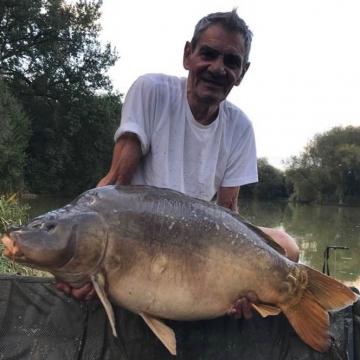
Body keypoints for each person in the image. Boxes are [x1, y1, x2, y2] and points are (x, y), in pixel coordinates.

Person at [57, 9, 299, 319]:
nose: (217, 68)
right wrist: (81, 256)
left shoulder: (241, 126)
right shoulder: (151, 91)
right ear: (188, 55)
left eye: (231, 62)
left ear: (242, 72)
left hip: (201, 237)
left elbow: (229, 214)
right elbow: (116, 182)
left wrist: (239, 278)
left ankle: (238, 297)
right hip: (142, 234)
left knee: (287, 249)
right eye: (208, 54)